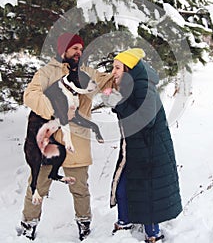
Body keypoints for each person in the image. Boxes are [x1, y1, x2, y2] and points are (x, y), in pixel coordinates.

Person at [18, 32, 114, 241]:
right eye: (75, 49)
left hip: (76, 141)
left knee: (80, 188)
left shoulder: (87, 72)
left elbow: (108, 82)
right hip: (48, 142)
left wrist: (126, 71)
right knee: (38, 186)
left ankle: (84, 224)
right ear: (63, 50)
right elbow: (30, 95)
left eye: (81, 49)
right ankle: (28, 225)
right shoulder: (46, 73)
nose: (79, 52)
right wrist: (54, 108)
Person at [101, 48, 182, 243]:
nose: (114, 71)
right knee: (123, 185)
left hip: (150, 151)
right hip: (135, 148)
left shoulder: (144, 87)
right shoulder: (132, 85)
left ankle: (152, 234)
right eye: (113, 67)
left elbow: (146, 120)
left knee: (148, 190)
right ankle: (124, 221)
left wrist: (118, 103)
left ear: (129, 69)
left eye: (117, 67)